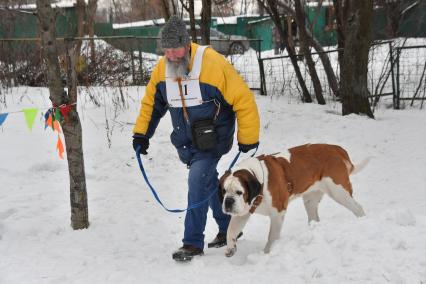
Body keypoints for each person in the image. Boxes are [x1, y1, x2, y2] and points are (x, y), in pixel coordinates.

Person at [132, 15, 260, 262]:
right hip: (187, 143)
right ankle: (228, 229)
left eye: (175, 49)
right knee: (207, 182)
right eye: (167, 50)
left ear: (187, 43)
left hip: (213, 139)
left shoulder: (213, 64)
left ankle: (192, 242)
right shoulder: (162, 69)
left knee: (196, 180)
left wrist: (248, 136)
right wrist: (141, 134)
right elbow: (152, 103)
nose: (171, 55)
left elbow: (243, 99)